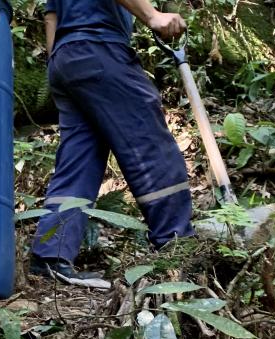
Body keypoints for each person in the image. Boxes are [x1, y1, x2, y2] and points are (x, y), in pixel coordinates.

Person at [29, 0, 194, 280]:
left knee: (80, 157)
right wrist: (152, 16)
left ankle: (51, 255)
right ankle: (176, 243)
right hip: (99, 48)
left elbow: (52, 15)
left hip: (65, 58)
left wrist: (57, 60)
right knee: (148, 140)